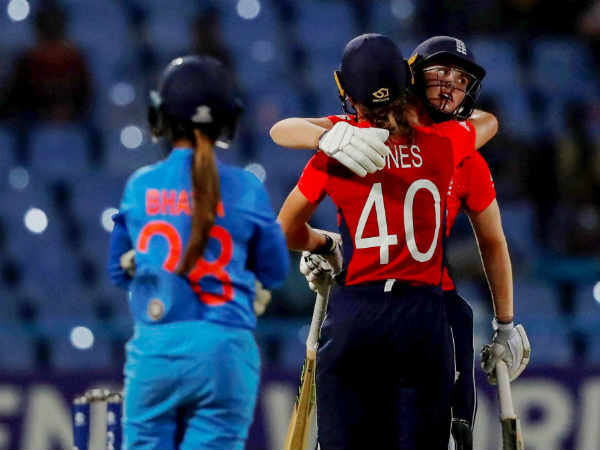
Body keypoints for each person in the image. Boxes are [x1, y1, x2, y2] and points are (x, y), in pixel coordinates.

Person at [272, 34, 531, 450]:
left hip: (357, 311)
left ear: (348, 92)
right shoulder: (449, 146)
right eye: (440, 73)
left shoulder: (339, 145)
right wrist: (504, 323)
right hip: (426, 315)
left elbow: (281, 146)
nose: (449, 86)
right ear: (409, 78)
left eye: (459, 78)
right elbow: (488, 126)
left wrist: (326, 244)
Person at [107, 55, 289, 450]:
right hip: (226, 352)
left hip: (155, 352)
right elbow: (275, 271)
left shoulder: (140, 185)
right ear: (227, 119)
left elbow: (117, 271)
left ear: (160, 116)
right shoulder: (247, 187)